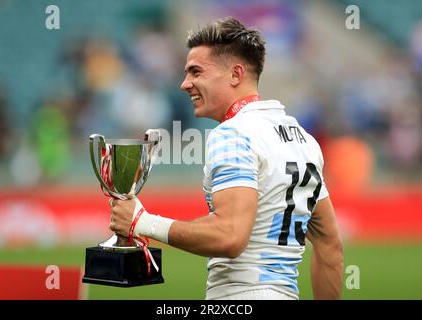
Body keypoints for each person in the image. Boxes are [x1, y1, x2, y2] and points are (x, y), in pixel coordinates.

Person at [109, 17, 343, 300]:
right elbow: (330, 246)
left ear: (235, 75)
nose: (185, 84)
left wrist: (142, 222)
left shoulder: (233, 134)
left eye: (196, 72)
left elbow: (230, 236)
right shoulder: (304, 141)